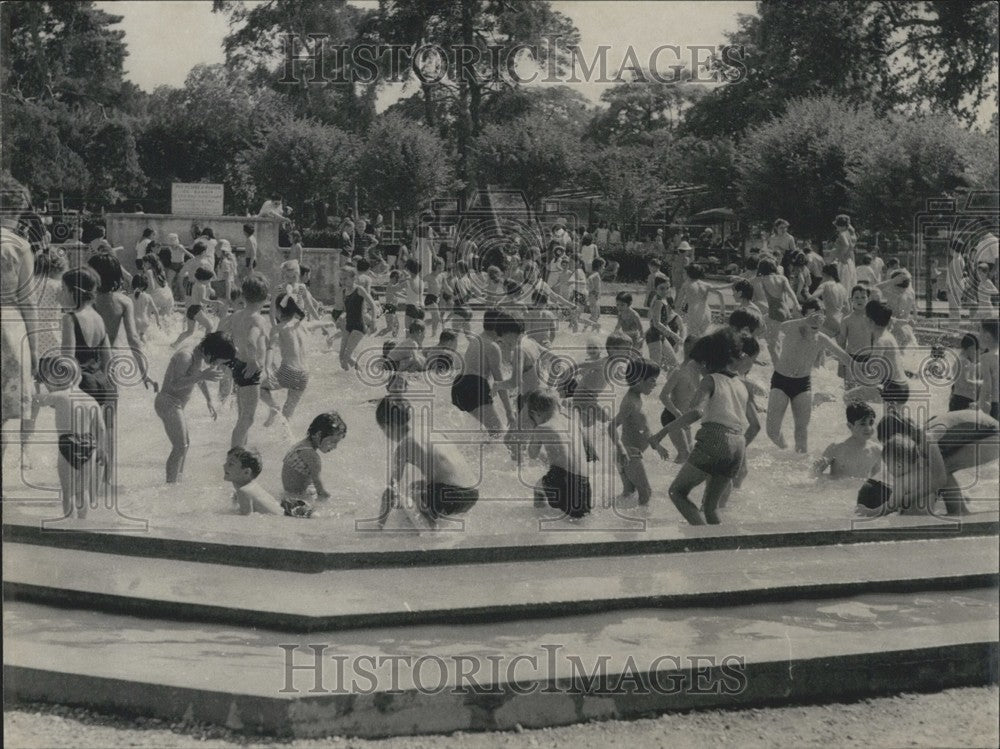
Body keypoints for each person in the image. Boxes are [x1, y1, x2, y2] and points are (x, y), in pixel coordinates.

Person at [661, 328, 761, 525]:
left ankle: (702, 539)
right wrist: (734, 446)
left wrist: (661, 433)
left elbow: (696, 412)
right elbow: (756, 426)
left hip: (714, 438)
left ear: (706, 362)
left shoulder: (709, 380)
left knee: (677, 492)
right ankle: (720, 545)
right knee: (711, 508)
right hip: (738, 444)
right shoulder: (742, 384)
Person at [861, 410, 999, 516]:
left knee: (943, 467)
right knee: (937, 468)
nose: (895, 449)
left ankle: (959, 511)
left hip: (994, 436)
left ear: (902, 435)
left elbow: (939, 479)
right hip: (984, 432)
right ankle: (958, 509)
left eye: (894, 445)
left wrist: (905, 500)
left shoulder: (928, 437)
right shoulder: (919, 436)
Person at [376, 395, 479, 530]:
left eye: (383, 430)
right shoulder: (429, 430)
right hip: (472, 493)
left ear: (390, 426)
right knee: (418, 485)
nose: (385, 435)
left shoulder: (404, 446)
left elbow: (390, 492)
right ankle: (443, 527)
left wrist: (379, 525)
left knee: (411, 492)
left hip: (451, 496)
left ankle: (430, 534)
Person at [766, 299, 853, 453]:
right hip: (781, 380)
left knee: (801, 432)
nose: (815, 321)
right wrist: (804, 320)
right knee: (772, 431)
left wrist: (866, 373)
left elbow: (846, 358)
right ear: (804, 317)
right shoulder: (793, 328)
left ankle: (799, 466)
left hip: (802, 384)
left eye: (819, 317)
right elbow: (781, 327)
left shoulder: (821, 338)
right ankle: (785, 449)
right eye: (811, 317)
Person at [155, 331, 232, 482]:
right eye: (218, 361)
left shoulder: (198, 356)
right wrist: (203, 375)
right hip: (167, 402)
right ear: (212, 352)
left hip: (175, 404)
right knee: (180, 446)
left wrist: (209, 400)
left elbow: (197, 378)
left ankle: (178, 479)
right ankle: (171, 486)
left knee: (185, 445)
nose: (217, 365)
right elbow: (175, 383)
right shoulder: (186, 356)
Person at [34, 358, 107, 519]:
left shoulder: (59, 395)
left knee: (68, 492)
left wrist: (37, 383)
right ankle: (82, 523)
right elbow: (101, 428)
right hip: (89, 445)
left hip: (69, 444)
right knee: (83, 489)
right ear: (79, 378)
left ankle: (69, 526)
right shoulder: (91, 400)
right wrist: (102, 450)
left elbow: (36, 400)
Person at [609, 358, 669, 507]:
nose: (655, 384)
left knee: (629, 493)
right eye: (652, 381)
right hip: (629, 454)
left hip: (626, 454)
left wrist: (657, 446)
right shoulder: (630, 402)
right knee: (646, 492)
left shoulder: (636, 398)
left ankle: (620, 520)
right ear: (637, 379)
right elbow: (611, 427)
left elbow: (643, 429)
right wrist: (621, 449)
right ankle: (643, 523)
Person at [526, 389, 593, 519]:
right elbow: (587, 449)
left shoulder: (542, 428)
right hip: (584, 481)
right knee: (579, 518)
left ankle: (538, 522)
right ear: (558, 406)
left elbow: (532, 454)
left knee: (538, 490)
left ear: (535, 413)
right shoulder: (573, 424)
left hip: (562, 478)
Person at [225, 274, 270, 448]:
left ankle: (241, 448)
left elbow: (225, 333)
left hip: (238, 365)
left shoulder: (236, 315)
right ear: (265, 298)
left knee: (242, 415)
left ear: (243, 295)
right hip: (250, 370)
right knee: (248, 418)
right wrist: (254, 361)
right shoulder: (258, 319)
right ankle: (235, 451)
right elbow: (252, 341)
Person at [451, 309, 507, 436]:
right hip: (474, 386)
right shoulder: (492, 346)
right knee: (498, 432)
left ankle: (476, 452)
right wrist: (509, 411)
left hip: (458, 386)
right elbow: (499, 382)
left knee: (489, 431)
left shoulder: (477, 339)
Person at [845, 300, 910, 408]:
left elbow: (870, 368)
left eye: (865, 317)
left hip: (892, 389)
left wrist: (851, 362)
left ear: (869, 321)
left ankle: (860, 422)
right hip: (902, 387)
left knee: (848, 397)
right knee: (892, 422)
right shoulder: (888, 335)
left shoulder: (880, 341)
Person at [280, 411, 346, 517]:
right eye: (333, 442)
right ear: (318, 434)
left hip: (287, 498)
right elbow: (321, 492)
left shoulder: (300, 446)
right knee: (331, 514)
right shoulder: (312, 457)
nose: (335, 447)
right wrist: (332, 505)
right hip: (297, 503)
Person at [260, 293, 311, 425]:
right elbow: (318, 323)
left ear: (278, 310)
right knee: (287, 415)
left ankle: (273, 407)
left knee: (261, 388)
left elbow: (270, 348)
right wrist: (328, 323)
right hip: (304, 374)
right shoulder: (302, 325)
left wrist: (267, 366)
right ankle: (286, 441)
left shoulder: (278, 328)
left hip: (289, 371)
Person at [653, 337, 699, 462]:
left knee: (689, 455)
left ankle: (673, 476)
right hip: (672, 416)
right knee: (685, 454)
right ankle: (671, 480)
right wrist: (677, 413)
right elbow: (663, 395)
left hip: (684, 418)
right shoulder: (678, 372)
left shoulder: (697, 372)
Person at [813, 402, 880, 479]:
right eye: (862, 424)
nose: (868, 428)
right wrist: (816, 469)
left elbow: (876, 480)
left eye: (871, 423)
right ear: (850, 426)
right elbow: (814, 476)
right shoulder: (836, 448)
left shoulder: (877, 451)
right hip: (837, 489)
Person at [224, 447, 284, 515]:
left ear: (246, 472)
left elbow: (246, 520)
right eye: (226, 461)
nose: (224, 465)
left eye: (231, 464)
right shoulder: (251, 487)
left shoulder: (243, 491)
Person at [836, 285, 873, 388]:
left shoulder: (872, 318)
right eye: (856, 297)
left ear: (868, 299)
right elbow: (842, 342)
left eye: (863, 297)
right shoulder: (847, 320)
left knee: (865, 390)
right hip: (851, 358)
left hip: (868, 358)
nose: (859, 300)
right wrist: (840, 363)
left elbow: (878, 340)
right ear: (851, 300)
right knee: (850, 391)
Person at [645, 277, 683, 370]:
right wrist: (673, 334)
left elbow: (664, 323)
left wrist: (673, 335)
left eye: (667, 288)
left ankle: (670, 382)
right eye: (662, 288)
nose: (665, 291)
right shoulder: (658, 301)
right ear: (656, 289)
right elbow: (656, 323)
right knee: (655, 366)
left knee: (674, 363)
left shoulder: (663, 300)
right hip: (654, 336)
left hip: (661, 336)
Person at [172, 266, 216, 346]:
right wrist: (216, 302)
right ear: (203, 279)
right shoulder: (202, 286)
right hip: (197, 309)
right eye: (209, 280)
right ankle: (204, 345)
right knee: (210, 326)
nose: (209, 281)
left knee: (189, 332)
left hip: (191, 309)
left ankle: (174, 344)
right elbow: (203, 300)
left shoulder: (196, 284)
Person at [807, 264, 848, 337]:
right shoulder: (842, 287)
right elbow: (847, 309)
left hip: (828, 321)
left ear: (824, 274)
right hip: (841, 321)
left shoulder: (825, 285)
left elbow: (811, 298)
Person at [949, 333, 982, 412]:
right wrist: (980, 383)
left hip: (958, 399)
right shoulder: (964, 361)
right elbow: (965, 381)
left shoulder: (959, 360)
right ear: (971, 348)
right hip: (963, 400)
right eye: (975, 350)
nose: (975, 354)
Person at [832, 214, 858, 293]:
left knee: (843, 284)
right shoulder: (850, 234)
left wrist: (841, 255)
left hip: (843, 261)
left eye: (838, 225)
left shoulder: (842, 234)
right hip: (849, 261)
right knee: (849, 284)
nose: (836, 227)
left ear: (842, 226)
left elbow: (846, 245)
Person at [131, 275, 161, 342]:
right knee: (142, 336)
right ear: (145, 286)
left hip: (135, 321)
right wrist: (158, 322)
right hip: (145, 321)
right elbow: (156, 310)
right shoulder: (148, 296)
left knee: (134, 338)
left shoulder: (129, 297)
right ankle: (147, 349)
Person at [980, 319, 999, 420]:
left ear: (987, 336)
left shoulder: (986, 357)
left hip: (995, 405)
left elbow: (987, 385)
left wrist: (980, 406)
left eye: (980, 332)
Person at [586, 258, 604, 332]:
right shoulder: (595, 274)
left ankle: (593, 329)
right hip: (593, 297)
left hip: (595, 297)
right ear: (599, 266)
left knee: (597, 315)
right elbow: (589, 279)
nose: (604, 268)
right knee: (594, 315)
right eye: (603, 266)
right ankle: (585, 329)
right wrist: (592, 289)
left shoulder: (595, 273)